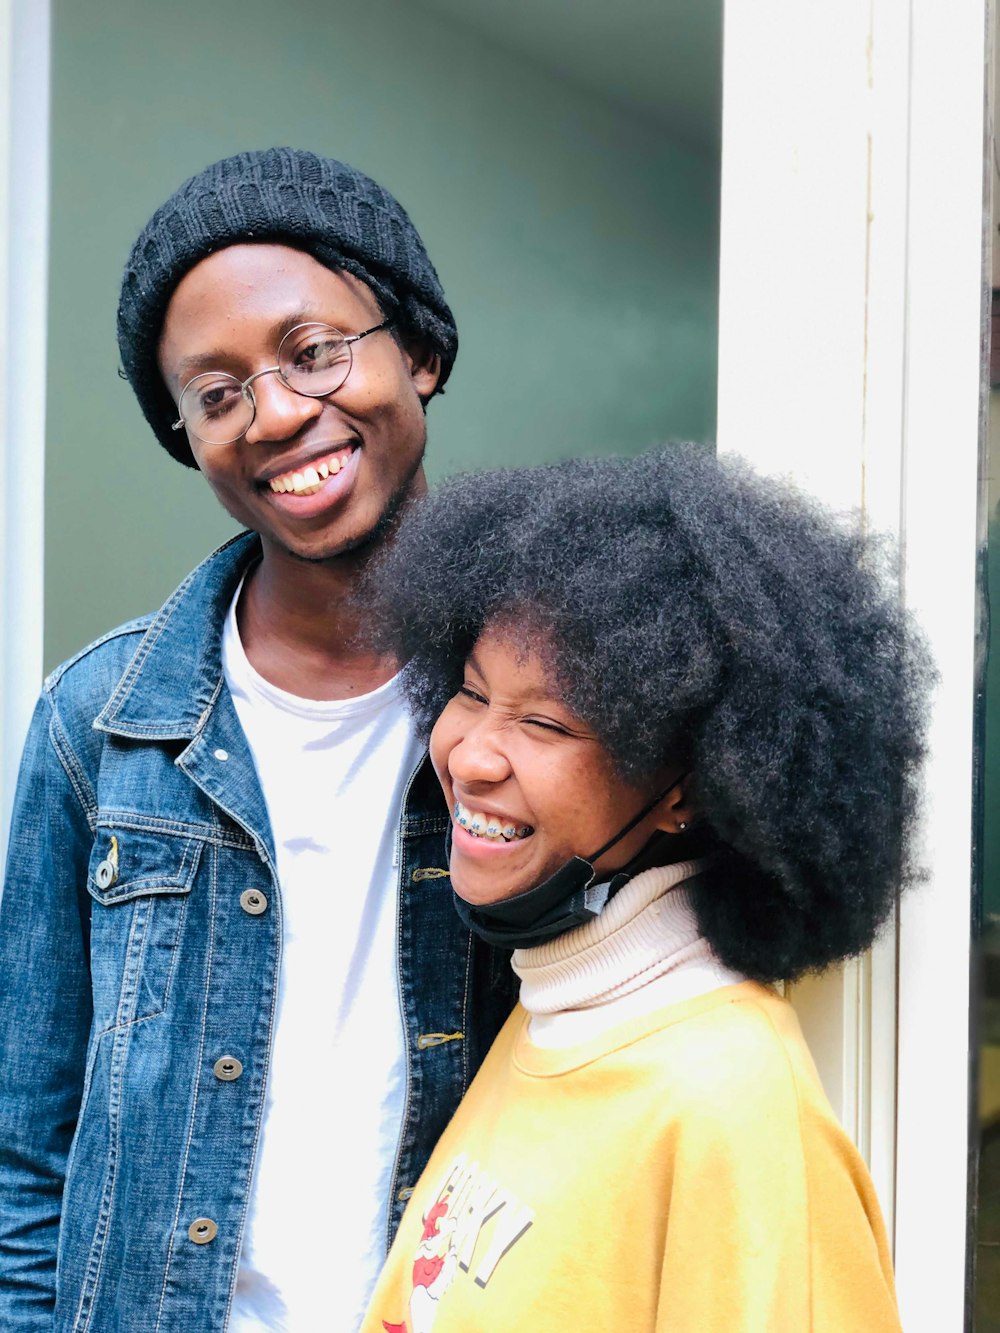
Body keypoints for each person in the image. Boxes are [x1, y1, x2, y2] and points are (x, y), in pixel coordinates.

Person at [0, 148, 516, 1332]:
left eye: (314, 350)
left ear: (420, 351)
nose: (277, 412)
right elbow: (25, 1155)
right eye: (217, 392)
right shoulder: (96, 724)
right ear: (190, 437)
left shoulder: (535, 706)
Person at [360, 445, 928, 1332]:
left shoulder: (733, 1106)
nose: (468, 755)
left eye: (545, 721)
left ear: (686, 788)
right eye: (470, 694)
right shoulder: (555, 1007)